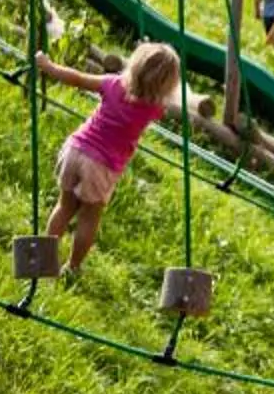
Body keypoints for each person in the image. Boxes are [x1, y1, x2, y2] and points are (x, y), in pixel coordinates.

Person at [35, 41, 184, 280]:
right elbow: (164, 100)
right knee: (89, 216)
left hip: (75, 148)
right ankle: (72, 267)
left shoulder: (112, 84)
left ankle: (41, 259)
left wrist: (48, 66)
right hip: (100, 165)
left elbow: (77, 78)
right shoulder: (154, 108)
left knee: (64, 207)